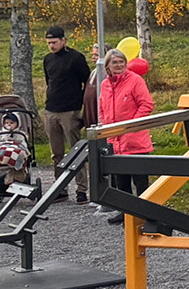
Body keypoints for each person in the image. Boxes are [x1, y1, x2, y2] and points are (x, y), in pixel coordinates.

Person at [97, 47, 154, 224]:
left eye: (122, 62)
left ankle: (147, 214)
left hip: (135, 139)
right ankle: (126, 213)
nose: (119, 65)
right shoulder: (105, 84)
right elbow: (102, 107)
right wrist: (105, 127)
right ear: (108, 65)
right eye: (115, 62)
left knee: (141, 181)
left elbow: (146, 104)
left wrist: (131, 126)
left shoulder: (136, 81)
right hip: (114, 140)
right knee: (120, 181)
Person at [42, 26, 92, 204]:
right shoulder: (47, 59)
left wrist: (83, 108)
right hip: (51, 110)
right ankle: (60, 188)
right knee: (57, 154)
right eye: (49, 43)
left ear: (64, 41)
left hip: (70, 110)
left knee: (76, 150)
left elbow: (87, 82)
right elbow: (49, 81)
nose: (51, 46)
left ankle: (81, 188)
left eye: (54, 42)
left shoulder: (76, 58)